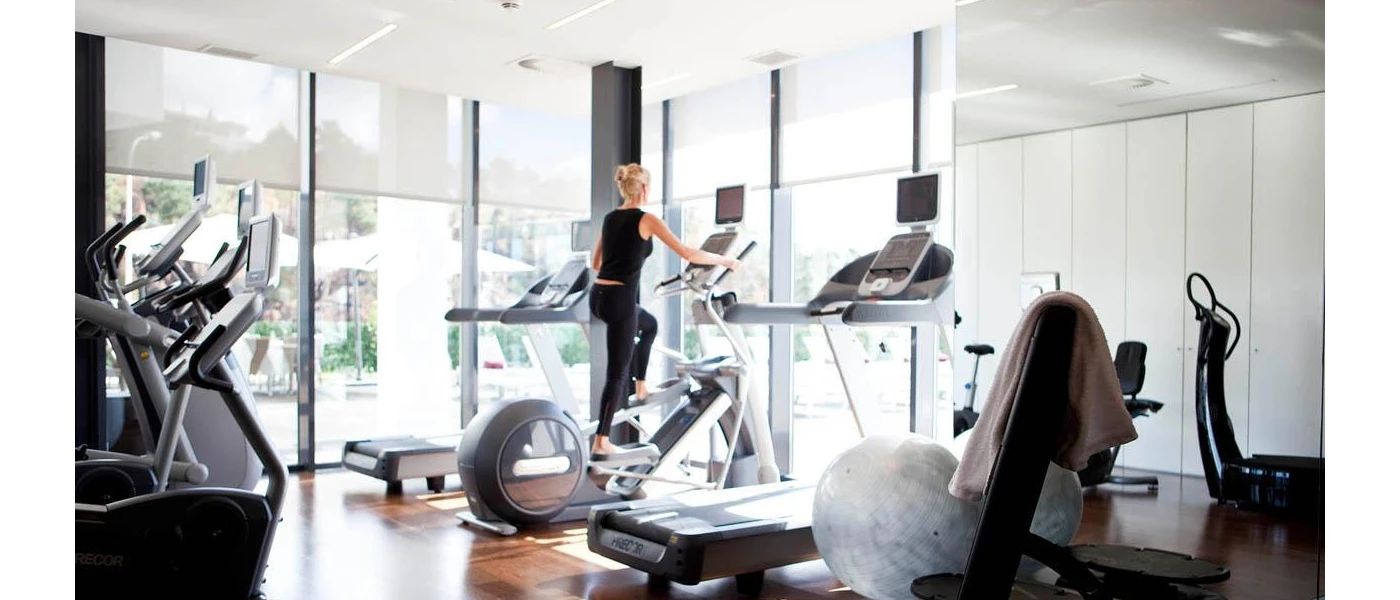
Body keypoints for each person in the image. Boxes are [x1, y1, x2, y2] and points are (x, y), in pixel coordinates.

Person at [589, 163, 741, 459]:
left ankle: (642, 388)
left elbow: (596, 263)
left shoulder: (610, 218)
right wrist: (726, 261)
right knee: (616, 373)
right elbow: (687, 253)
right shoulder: (646, 219)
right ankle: (601, 441)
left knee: (649, 325)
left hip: (599, 295)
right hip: (619, 298)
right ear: (645, 189)